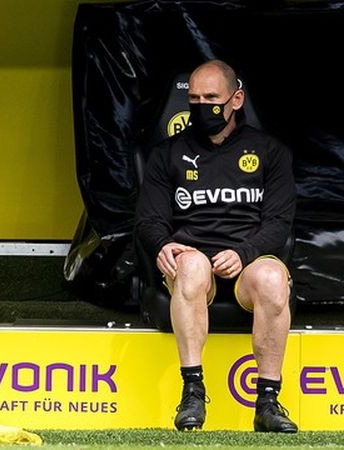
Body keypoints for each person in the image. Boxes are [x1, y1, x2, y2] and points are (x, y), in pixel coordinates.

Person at [135, 60, 297, 433]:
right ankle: (192, 392)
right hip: (194, 266)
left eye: (211, 98)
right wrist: (162, 245)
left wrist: (243, 253)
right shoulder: (167, 154)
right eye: (194, 99)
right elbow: (149, 220)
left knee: (273, 277)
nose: (201, 106)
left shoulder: (270, 152)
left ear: (236, 99)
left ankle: (268, 402)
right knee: (191, 266)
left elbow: (278, 224)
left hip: (248, 264)